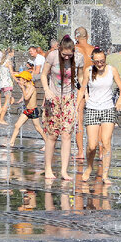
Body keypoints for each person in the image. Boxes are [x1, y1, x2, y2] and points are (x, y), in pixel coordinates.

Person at [77, 46, 121, 184]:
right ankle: (89, 167)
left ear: (105, 59)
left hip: (108, 109)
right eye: (97, 61)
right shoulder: (88, 71)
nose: (100, 63)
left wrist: (120, 99)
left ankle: (105, 174)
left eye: (102, 61)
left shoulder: (112, 70)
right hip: (92, 109)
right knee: (92, 145)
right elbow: (82, 90)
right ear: (93, 60)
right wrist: (76, 106)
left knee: (106, 143)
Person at [41, 35, 83, 181]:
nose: (66, 57)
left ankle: (64, 171)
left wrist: (83, 91)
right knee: (52, 135)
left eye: (69, 55)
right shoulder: (52, 56)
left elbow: (81, 77)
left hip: (68, 100)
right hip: (53, 99)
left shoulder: (78, 58)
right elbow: (43, 74)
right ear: (59, 50)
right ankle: (48, 169)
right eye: (64, 54)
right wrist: (46, 90)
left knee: (66, 135)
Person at [8, 69, 43, 147]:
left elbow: (26, 98)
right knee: (17, 125)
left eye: (20, 79)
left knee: (38, 128)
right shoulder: (26, 86)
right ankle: (11, 143)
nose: (19, 80)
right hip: (27, 110)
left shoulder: (31, 88)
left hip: (33, 111)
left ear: (25, 80)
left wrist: (22, 89)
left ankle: (48, 143)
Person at [0, 47, 15, 125]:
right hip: (7, 84)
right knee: (7, 102)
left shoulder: (2, 62)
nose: (14, 54)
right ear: (10, 53)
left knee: (11, 100)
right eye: (13, 52)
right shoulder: (9, 62)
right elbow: (11, 73)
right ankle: (1, 119)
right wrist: (17, 80)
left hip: (3, 84)